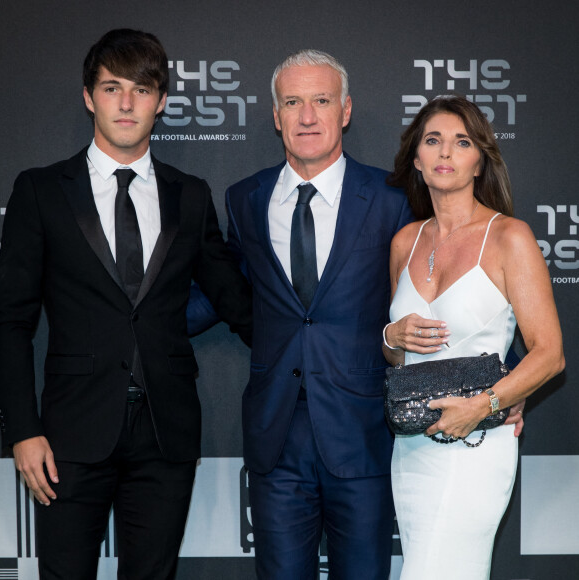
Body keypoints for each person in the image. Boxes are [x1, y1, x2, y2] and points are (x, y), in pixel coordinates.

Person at [0, 29, 251, 579]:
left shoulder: (190, 194)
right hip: (68, 433)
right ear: (89, 96)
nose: (127, 102)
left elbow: (235, 300)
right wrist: (22, 428)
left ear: (161, 101)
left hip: (166, 433)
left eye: (142, 88)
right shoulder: (41, 190)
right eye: (113, 88)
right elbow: (10, 321)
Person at [221, 49, 415, 579]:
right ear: (276, 115)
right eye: (293, 102)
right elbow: (226, 290)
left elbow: (443, 283)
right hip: (276, 434)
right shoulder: (244, 199)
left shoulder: (392, 198)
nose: (307, 116)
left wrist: (504, 374)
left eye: (321, 100)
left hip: (362, 430)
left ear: (345, 110)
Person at [382, 95, 564, 579]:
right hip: (413, 443)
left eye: (461, 143)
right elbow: (398, 358)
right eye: (433, 141)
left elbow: (549, 356)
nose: (446, 153)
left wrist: (484, 405)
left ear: (479, 159)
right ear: (416, 160)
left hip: (478, 444)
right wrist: (391, 334)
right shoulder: (405, 242)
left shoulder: (510, 238)